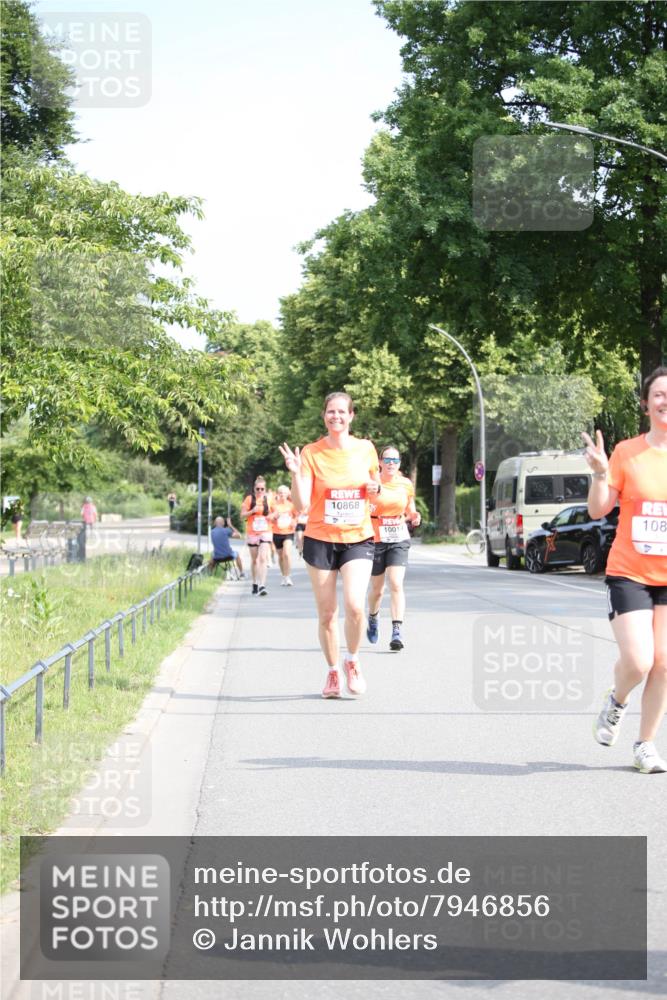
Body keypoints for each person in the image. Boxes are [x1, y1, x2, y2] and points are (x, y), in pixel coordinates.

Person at [584, 366, 667, 773]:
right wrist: (600, 473)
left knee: (664, 662)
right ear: (646, 403)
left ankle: (645, 744)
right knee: (638, 661)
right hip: (630, 571)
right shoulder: (626, 452)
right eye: (659, 394)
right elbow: (599, 508)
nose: (665, 400)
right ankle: (616, 701)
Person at [280, 391, 380, 698]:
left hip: (357, 537)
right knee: (326, 613)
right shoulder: (311, 453)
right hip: (320, 538)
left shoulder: (366, 449)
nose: (335, 416)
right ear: (324, 415)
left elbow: (374, 491)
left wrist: (375, 489)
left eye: (341, 412)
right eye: (330, 412)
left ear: (351, 416)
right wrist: (296, 475)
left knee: (353, 605)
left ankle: (353, 660)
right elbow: (301, 505)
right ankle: (333, 672)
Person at [366, 445, 421, 651]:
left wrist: (415, 517)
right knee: (378, 590)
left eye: (395, 461)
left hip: (398, 536)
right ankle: (373, 617)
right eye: (387, 460)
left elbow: (410, 509)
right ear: (380, 462)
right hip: (375, 537)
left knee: (396, 583)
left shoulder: (405, 484)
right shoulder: (372, 483)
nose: (391, 464)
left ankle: (397, 630)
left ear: (399, 464)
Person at [241, 476, 272, 596]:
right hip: (252, 532)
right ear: (254, 489)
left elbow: (276, 511)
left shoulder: (269, 499)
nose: (260, 491)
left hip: (265, 531)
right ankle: (254, 582)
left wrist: (272, 515)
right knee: (254, 560)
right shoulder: (249, 499)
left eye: (262, 489)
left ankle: (262, 585)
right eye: (257, 489)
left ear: (265, 489)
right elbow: (242, 515)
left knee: (263, 558)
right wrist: (251, 511)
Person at [269, 484, 298, 585]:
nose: (282, 495)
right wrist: (273, 516)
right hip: (276, 532)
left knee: (286, 553)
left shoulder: (291, 505)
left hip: (288, 532)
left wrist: (294, 521)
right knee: (280, 556)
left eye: (284, 493)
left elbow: (296, 516)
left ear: (287, 494)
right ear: (277, 494)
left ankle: (288, 576)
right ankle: (284, 576)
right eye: (280, 493)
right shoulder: (273, 505)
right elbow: (269, 518)